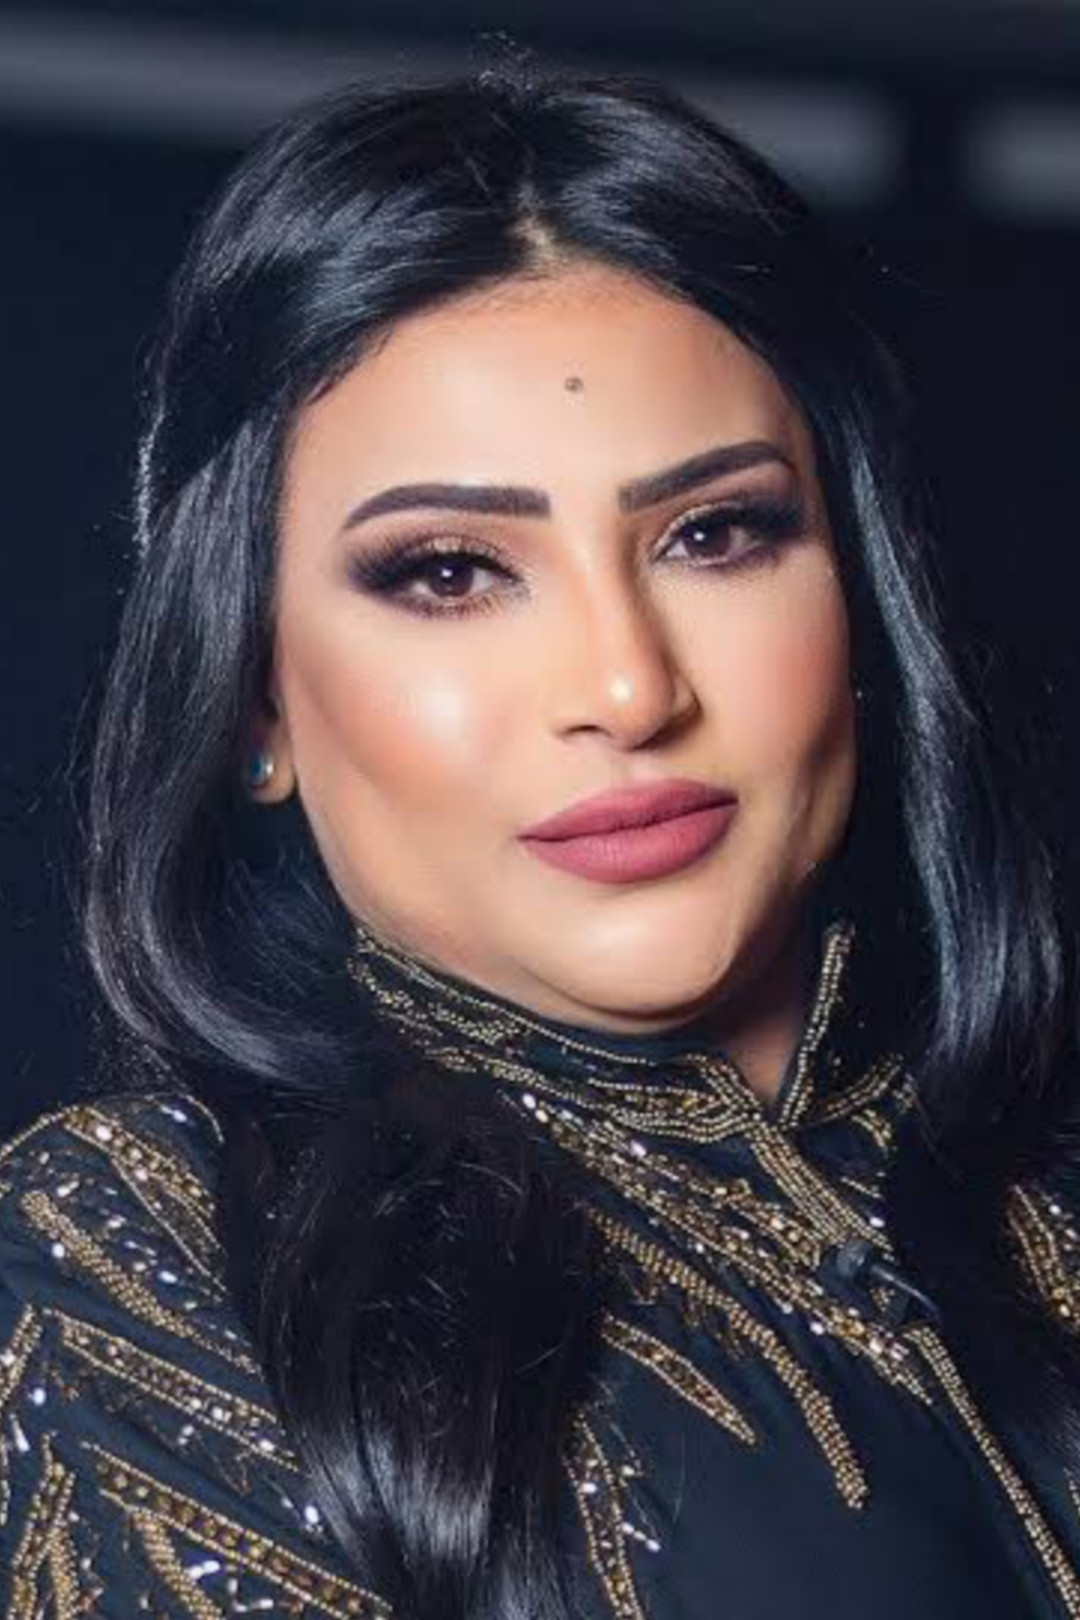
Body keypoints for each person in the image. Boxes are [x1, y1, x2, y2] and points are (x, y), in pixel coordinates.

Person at [1, 60, 1079, 1620]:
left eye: (716, 534)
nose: (629, 689)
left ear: (862, 598)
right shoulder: (141, 1254)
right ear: (255, 707)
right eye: (448, 572)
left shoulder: (1037, 1178)